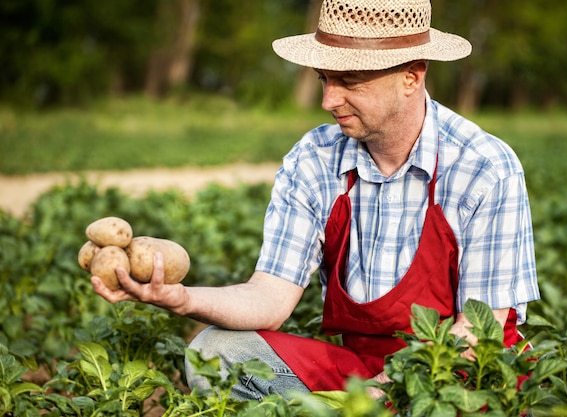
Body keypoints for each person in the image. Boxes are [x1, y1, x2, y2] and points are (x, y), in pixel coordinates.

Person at [91, 0, 540, 401]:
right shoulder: (314, 159)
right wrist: (181, 298)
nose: (328, 99)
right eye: (324, 79)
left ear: (411, 76)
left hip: (459, 381)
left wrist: (379, 395)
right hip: (363, 374)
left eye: (349, 81)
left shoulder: (484, 168)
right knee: (216, 351)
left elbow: (478, 331)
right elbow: (270, 297)